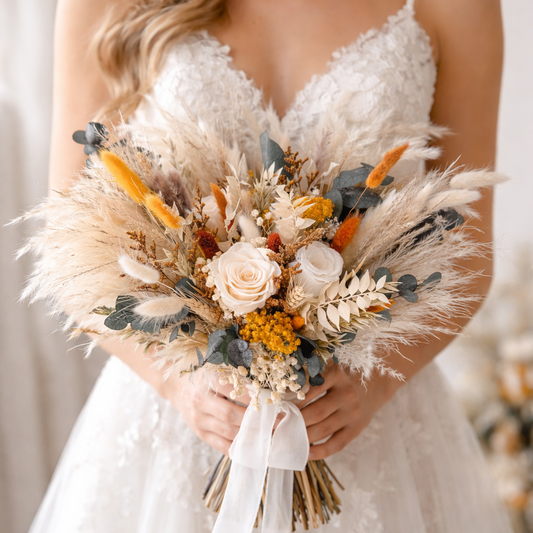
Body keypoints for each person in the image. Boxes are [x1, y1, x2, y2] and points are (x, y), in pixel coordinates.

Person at [31, 0, 512, 531]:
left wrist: (372, 389)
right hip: (178, 423)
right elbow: (67, 240)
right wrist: (178, 388)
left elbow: (469, 250)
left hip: (363, 419)